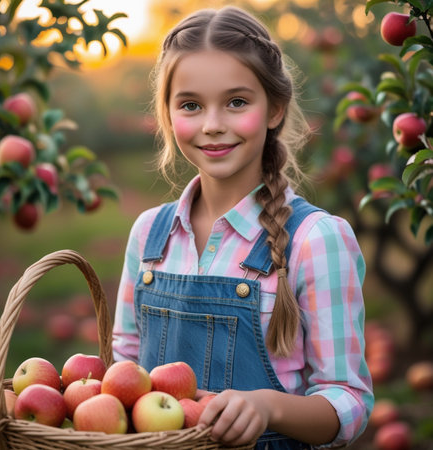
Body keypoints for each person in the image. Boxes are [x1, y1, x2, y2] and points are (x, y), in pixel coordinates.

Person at [112, 6, 373, 449]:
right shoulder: (149, 235)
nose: (213, 125)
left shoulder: (314, 240)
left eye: (236, 102)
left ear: (274, 109)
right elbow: (123, 369)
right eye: (191, 105)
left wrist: (268, 406)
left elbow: (348, 401)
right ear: (168, 115)